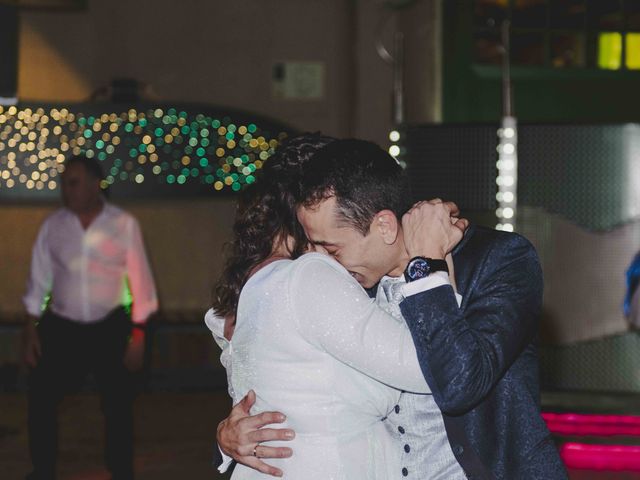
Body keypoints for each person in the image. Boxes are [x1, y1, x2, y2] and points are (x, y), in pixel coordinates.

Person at [216, 138, 567, 479]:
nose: (322, 261)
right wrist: (228, 434)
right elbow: (282, 371)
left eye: (332, 249)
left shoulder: (499, 259)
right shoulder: (347, 283)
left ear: (383, 225)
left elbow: (460, 383)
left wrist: (427, 268)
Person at [205, 134, 468, 479]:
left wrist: (225, 443)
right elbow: (430, 368)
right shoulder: (310, 277)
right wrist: (429, 264)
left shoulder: (256, 289)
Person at [21, 155, 158, 480]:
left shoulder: (123, 224)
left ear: (96, 185)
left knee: (118, 406)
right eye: (65, 183)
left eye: (74, 182)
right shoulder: (53, 226)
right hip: (61, 326)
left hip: (109, 327)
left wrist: (138, 335)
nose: (67, 189)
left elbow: (141, 280)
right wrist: (30, 330)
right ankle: (42, 470)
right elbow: (38, 280)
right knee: (40, 400)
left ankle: (121, 470)